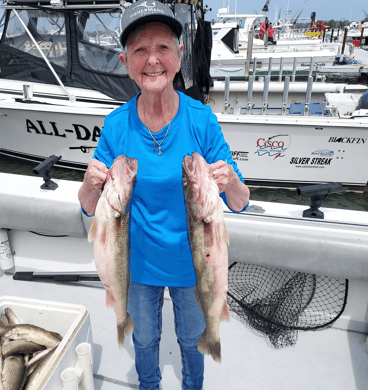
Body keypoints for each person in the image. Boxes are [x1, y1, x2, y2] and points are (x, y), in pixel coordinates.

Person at [78, 1, 250, 389]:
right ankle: (149, 384)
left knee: (193, 341)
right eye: (140, 50)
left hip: (195, 268)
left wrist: (232, 182)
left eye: (163, 48)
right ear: (125, 61)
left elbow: (238, 202)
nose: (152, 60)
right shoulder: (115, 124)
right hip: (135, 266)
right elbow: (90, 206)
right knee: (143, 339)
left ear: (179, 55)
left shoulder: (201, 118)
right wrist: (90, 182)